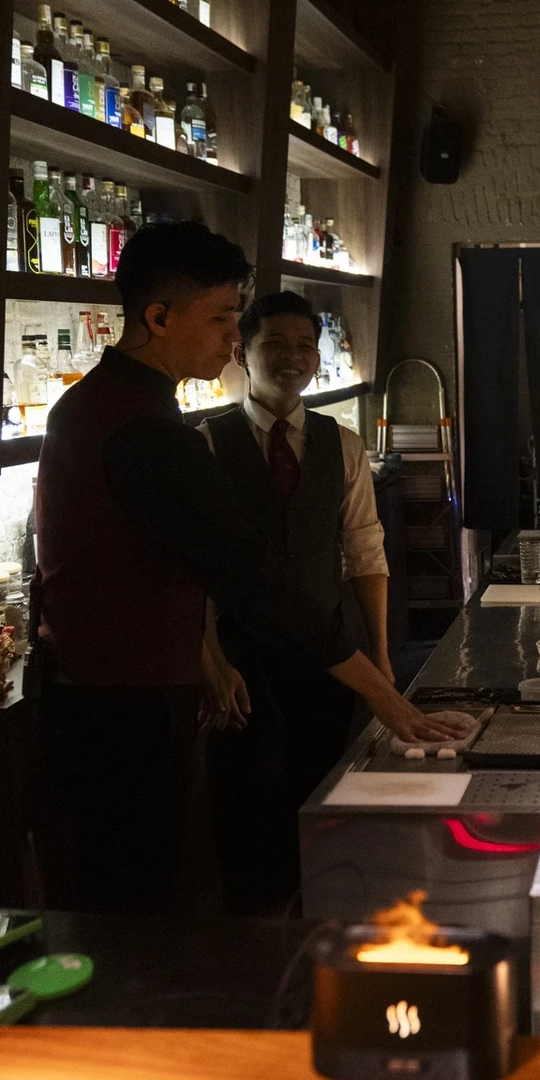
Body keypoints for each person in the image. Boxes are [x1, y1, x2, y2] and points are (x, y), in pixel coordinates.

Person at [31, 222, 452, 914]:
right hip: (127, 709)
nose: (234, 338)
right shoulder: (147, 430)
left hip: (104, 695)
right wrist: (383, 694)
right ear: (158, 317)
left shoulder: (99, 405)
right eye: (222, 318)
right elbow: (250, 580)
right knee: (137, 912)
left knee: (128, 903)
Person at [198, 291, 395, 913]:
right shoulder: (207, 443)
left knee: (325, 796)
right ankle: (253, 945)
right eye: (275, 345)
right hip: (243, 659)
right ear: (241, 353)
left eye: (305, 346)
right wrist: (212, 661)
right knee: (248, 810)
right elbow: (193, 570)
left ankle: (322, 932)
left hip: (328, 655)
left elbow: (365, 552)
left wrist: (381, 658)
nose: (293, 357)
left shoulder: (344, 445)